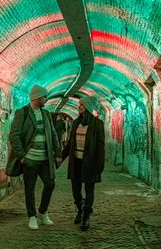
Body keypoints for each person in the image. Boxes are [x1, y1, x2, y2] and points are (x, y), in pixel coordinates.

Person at [7, 85, 62, 230]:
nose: (46, 99)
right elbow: (14, 135)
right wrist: (22, 156)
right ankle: (32, 216)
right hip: (29, 159)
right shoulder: (23, 113)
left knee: (50, 184)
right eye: (45, 97)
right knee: (29, 189)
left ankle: (43, 212)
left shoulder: (46, 114)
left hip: (45, 159)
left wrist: (58, 153)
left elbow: (53, 135)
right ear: (37, 97)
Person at [62, 96, 105, 231]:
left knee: (89, 189)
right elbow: (70, 143)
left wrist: (99, 165)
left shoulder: (97, 124)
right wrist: (61, 157)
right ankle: (80, 209)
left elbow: (100, 145)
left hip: (90, 162)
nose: (79, 106)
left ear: (88, 107)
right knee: (75, 190)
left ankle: (86, 216)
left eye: (82, 105)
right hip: (76, 162)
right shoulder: (75, 123)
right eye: (79, 104)